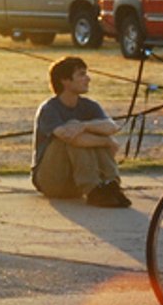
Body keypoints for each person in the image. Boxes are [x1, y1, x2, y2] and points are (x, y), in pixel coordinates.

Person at [31, 55, 128, 206]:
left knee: (88, 129)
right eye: (81, 74)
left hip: (75, 185)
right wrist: (106, 141)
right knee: (72, 135)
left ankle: (111, 185)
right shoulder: (49, 109)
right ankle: (94, 190)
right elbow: (70, 137)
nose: (88, 79)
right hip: (52, 181)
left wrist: (84, 126)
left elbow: (112, 127)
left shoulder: (89, 106)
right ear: (65, 80)